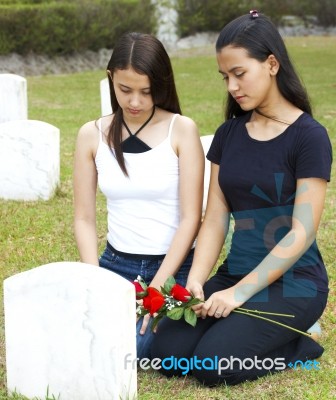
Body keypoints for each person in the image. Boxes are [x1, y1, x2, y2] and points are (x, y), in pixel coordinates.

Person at [151, 11, 332, 386]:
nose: (232, 86)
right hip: (234, 274)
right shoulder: (229, 134)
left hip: (293, 283)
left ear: (271, 64)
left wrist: (237, 295)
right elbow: (215, 218)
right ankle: (240, 324)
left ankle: (301, 347)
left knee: (213, 366)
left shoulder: (309, 137)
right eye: (225, 77)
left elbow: (300, 233)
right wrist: (198, 282)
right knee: (163, 356)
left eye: (239, 73)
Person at [73, 32, 204, 359]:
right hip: (115, 265)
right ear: (110, 80)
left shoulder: (182, 130)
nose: (134, 102)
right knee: (84, 337)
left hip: (174, 269)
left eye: (146, 92)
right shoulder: (91, 135)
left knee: (136, 347)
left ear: (162, 84)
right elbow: (84, 218)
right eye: (125, 90)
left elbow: (191, 219)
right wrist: (95, 281)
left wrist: (158, 289)